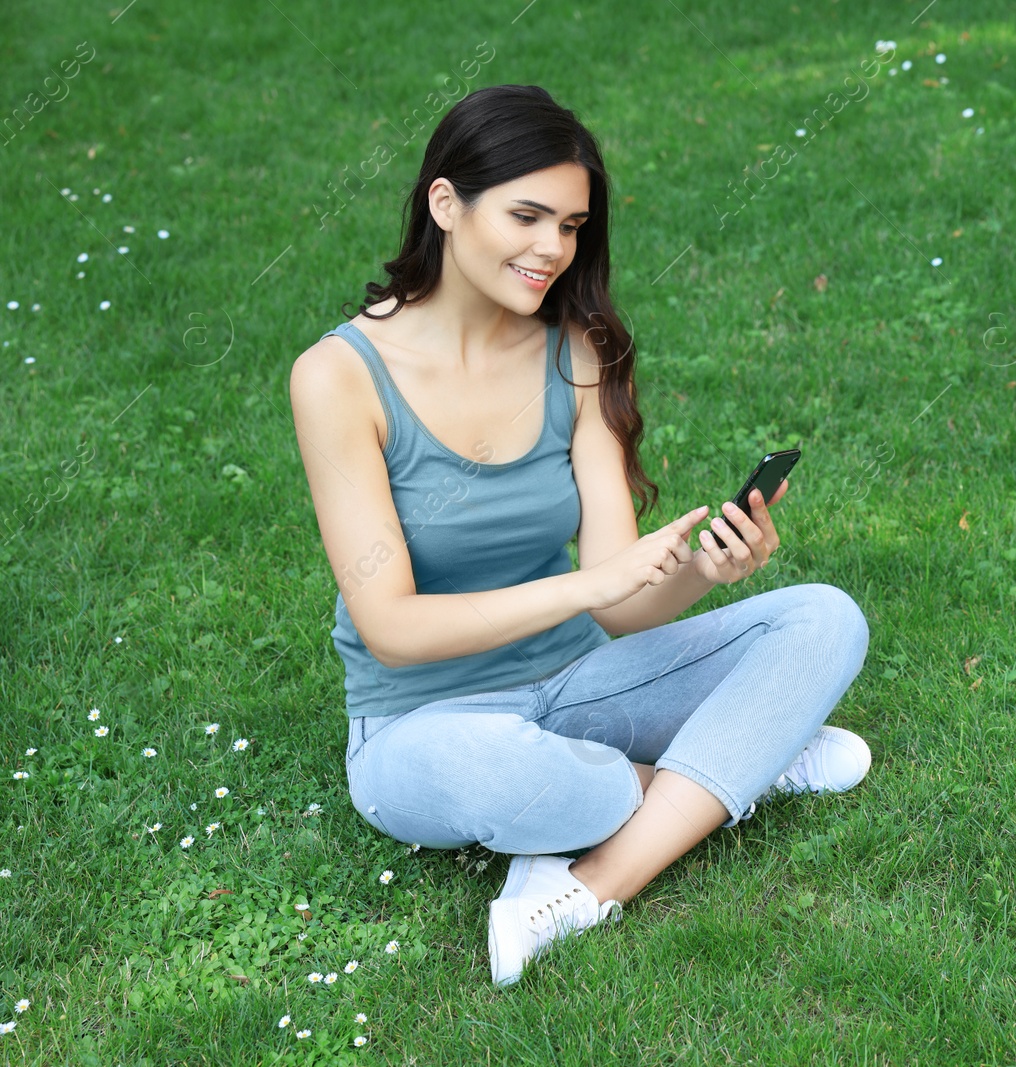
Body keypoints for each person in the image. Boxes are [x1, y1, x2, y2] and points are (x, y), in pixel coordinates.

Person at [287, 84, 872, 986]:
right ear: (446, 204)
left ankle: (593, 881)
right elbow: (391, 630)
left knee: (825, 618)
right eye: (526, 216)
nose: (552, 250)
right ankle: (725, 769)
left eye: (570, 225)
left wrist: (707, 573)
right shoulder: (339, 376)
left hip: (579, 686)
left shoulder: (575, 352)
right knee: (494, 773)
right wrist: (583, 591)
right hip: (422, 727)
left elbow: (624, 602)